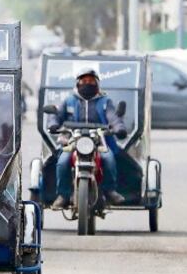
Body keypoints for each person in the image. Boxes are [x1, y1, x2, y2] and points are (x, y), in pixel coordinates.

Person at [50, 68, 129, 209]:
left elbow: (113, 117)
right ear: (78, 83)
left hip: (98, 139)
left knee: (109, 159)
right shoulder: (69, 101)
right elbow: (56, 116)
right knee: (62, 162)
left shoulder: (105, 101)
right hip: (73, 139)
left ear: (97, 83)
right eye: (84, 81)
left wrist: (119, 128)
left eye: (91, 81)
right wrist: (54, 124)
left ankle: (110, 190)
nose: (88, 83)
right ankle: (62, 195)